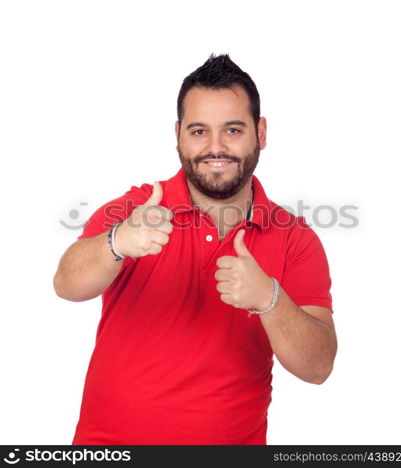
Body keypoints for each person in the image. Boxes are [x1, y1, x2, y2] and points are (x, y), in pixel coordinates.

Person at [53, 53, 337, 445]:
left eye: (233, 130)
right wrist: (117, 242)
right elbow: (66, 284)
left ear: (262, 132)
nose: (215, 147)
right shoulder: (137, 208)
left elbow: (318, 366)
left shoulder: (295, 238)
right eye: (199, 131)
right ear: (178, 134)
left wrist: (269, 299)